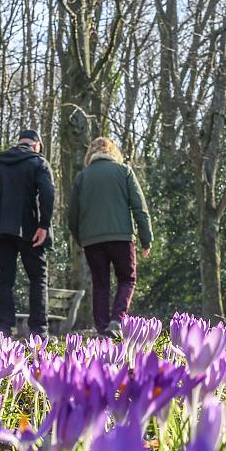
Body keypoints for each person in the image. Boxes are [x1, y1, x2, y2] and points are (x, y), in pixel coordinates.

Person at [68, 137, 153, 337]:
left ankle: (102, 329)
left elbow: (72, 216)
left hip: (92, 241)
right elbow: (140, 207)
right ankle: (117, 320)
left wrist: (80, 239)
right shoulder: (124, 171)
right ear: (114, 152)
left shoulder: (82, 177)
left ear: (91, 154)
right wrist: (146, 239)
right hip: (122, 237)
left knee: (100, 283)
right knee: (127, 279)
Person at [0, 129, 55, 335]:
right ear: (36, 145)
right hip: (31, 230)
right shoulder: (38, 162)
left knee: (5, 280)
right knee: (38, 278)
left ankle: (2, 328)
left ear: (19, 142)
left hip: (2, 230)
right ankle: (39, 331)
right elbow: (47, 193)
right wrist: (44, 225)